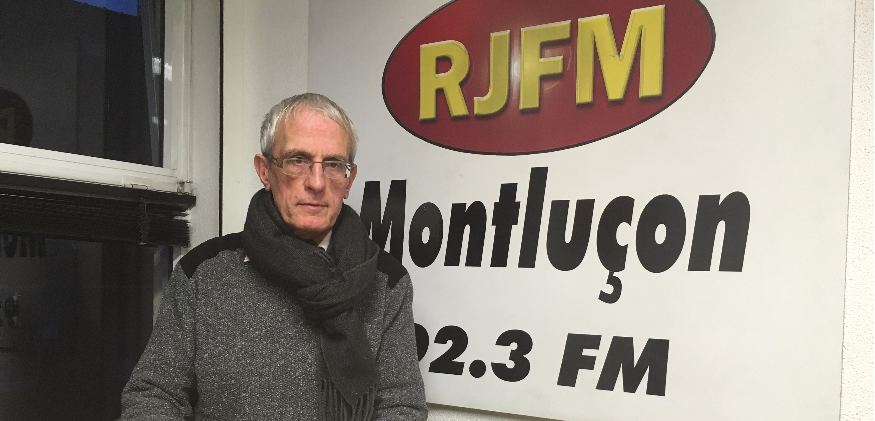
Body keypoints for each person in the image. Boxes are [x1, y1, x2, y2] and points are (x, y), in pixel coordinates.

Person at [120, 93, 428, 420]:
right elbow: (155, 393)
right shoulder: (203, 273)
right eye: (298, 160)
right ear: (265, 171)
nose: (317, 182)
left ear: (349, 180)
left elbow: (402, 408)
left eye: (333, 165)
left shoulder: (386, 283)